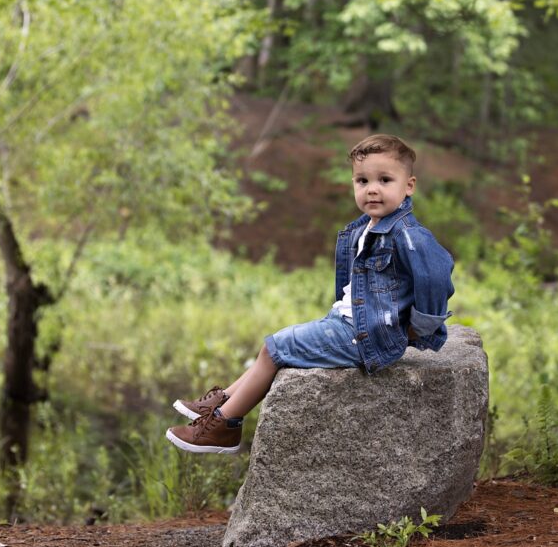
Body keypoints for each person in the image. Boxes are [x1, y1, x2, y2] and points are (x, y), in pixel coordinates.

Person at [166, 133, 455, 455]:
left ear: (409, 185)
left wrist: (419, 328)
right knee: (275, 347)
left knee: (275, 348)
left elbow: (437, 275)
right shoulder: (364, 228)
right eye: (362, 181)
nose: (372, 189)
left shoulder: (408, 234)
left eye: (385, 180)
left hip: (367, 336)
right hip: (351, 323)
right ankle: (223, 402)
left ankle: (223, 426)